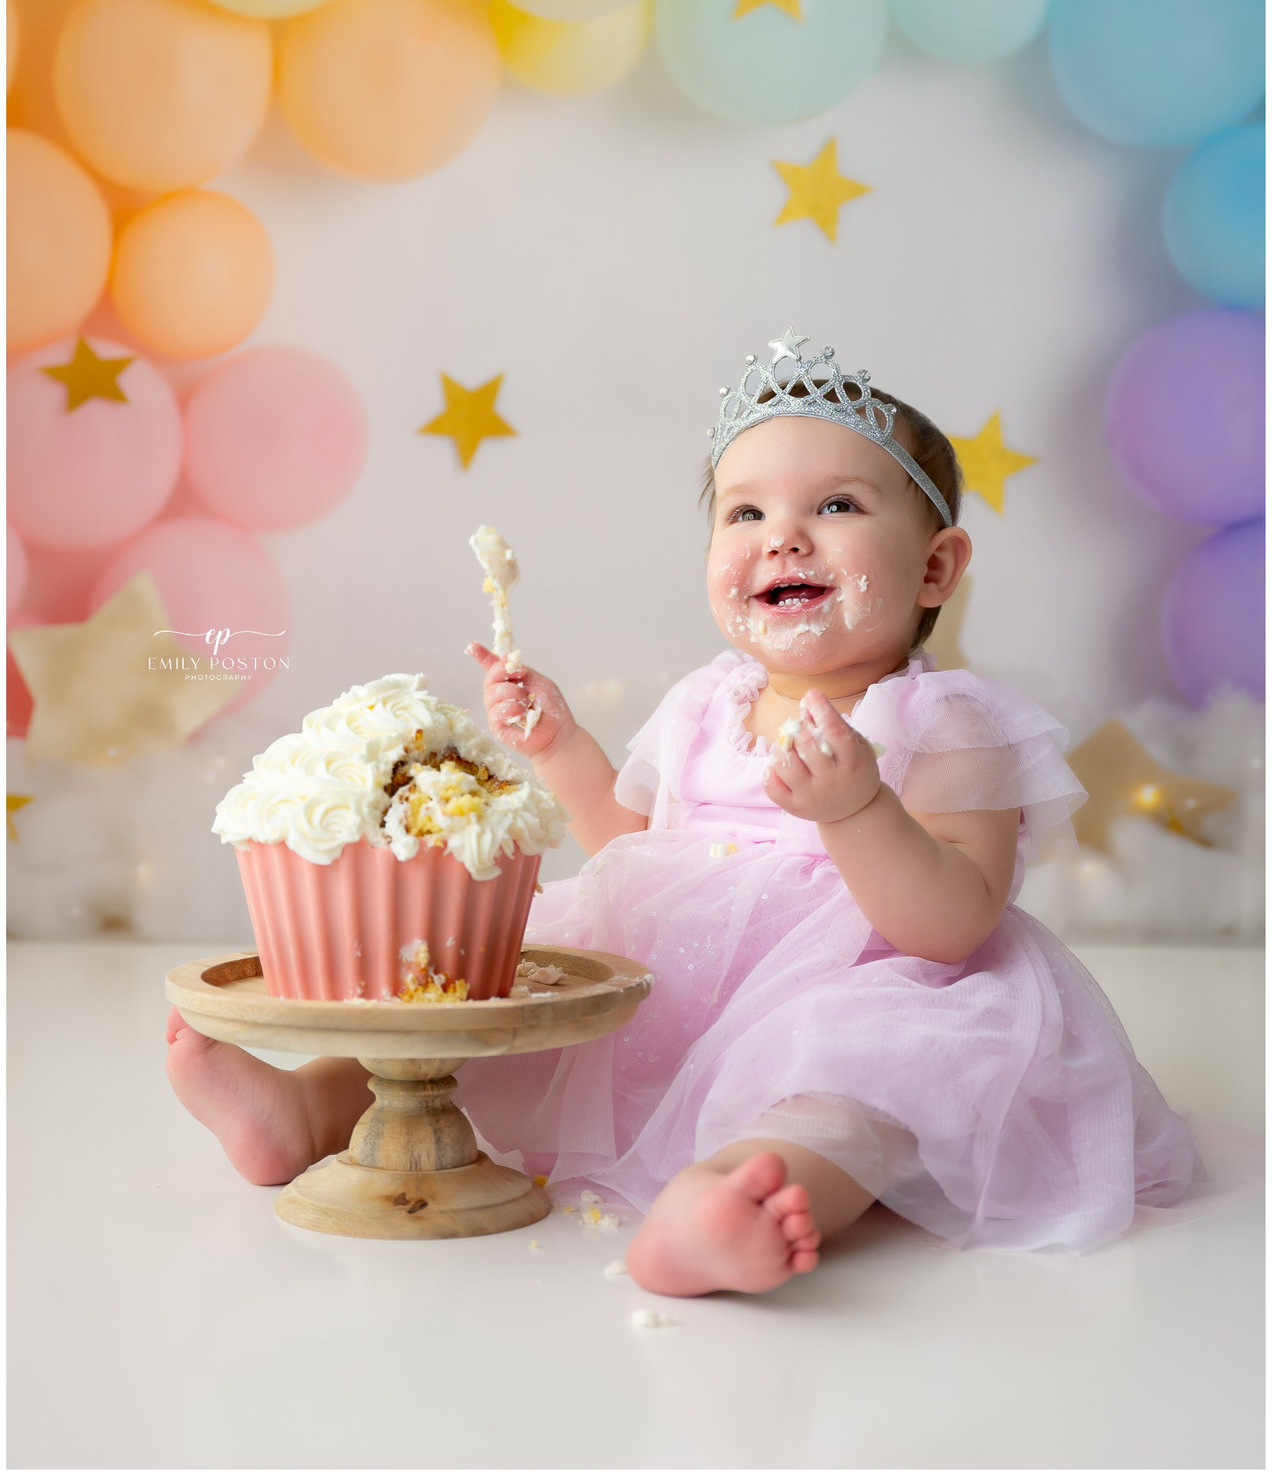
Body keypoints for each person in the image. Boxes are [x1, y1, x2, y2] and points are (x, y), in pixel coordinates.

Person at [167, 335, 1206, 1297]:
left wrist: (859, 811)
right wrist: (562, 750)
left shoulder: (944, 719)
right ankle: (316, 1102)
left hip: (866, 984)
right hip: (686, 975)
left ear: (934, 565)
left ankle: (730, 1194)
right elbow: (635, 857)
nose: (782, 534)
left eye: (837, 505)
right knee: (500, 1007)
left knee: (855, 1090)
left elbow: (951, 923)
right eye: (743, 513)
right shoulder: (709, 701)